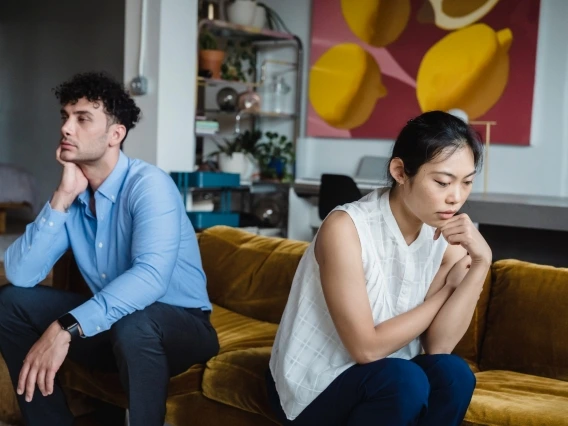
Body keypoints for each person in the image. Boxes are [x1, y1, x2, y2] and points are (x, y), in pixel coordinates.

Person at [0, 72, 219, 426]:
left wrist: (65, 327)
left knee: (136, 321)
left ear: (116, 135)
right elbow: (21, 273)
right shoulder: (74, 193)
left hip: (182, 330)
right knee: (10, 302)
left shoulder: (149, 186)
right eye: (65, 117)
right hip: (112, 328)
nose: (67, 128)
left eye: (82, 118)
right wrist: (62, 197)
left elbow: (150, 279)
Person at [267, 111, 491, 426]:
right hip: (315, 382)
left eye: (466, 182)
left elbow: (439, 346)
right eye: (442, 181)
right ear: (400, 171)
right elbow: (366, 349)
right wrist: (447, 291)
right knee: (404, 381)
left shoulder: (445, 235)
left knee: (454, 374)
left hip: (390, 375)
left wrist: (481, 263)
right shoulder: (346, 228)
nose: (455, 197)